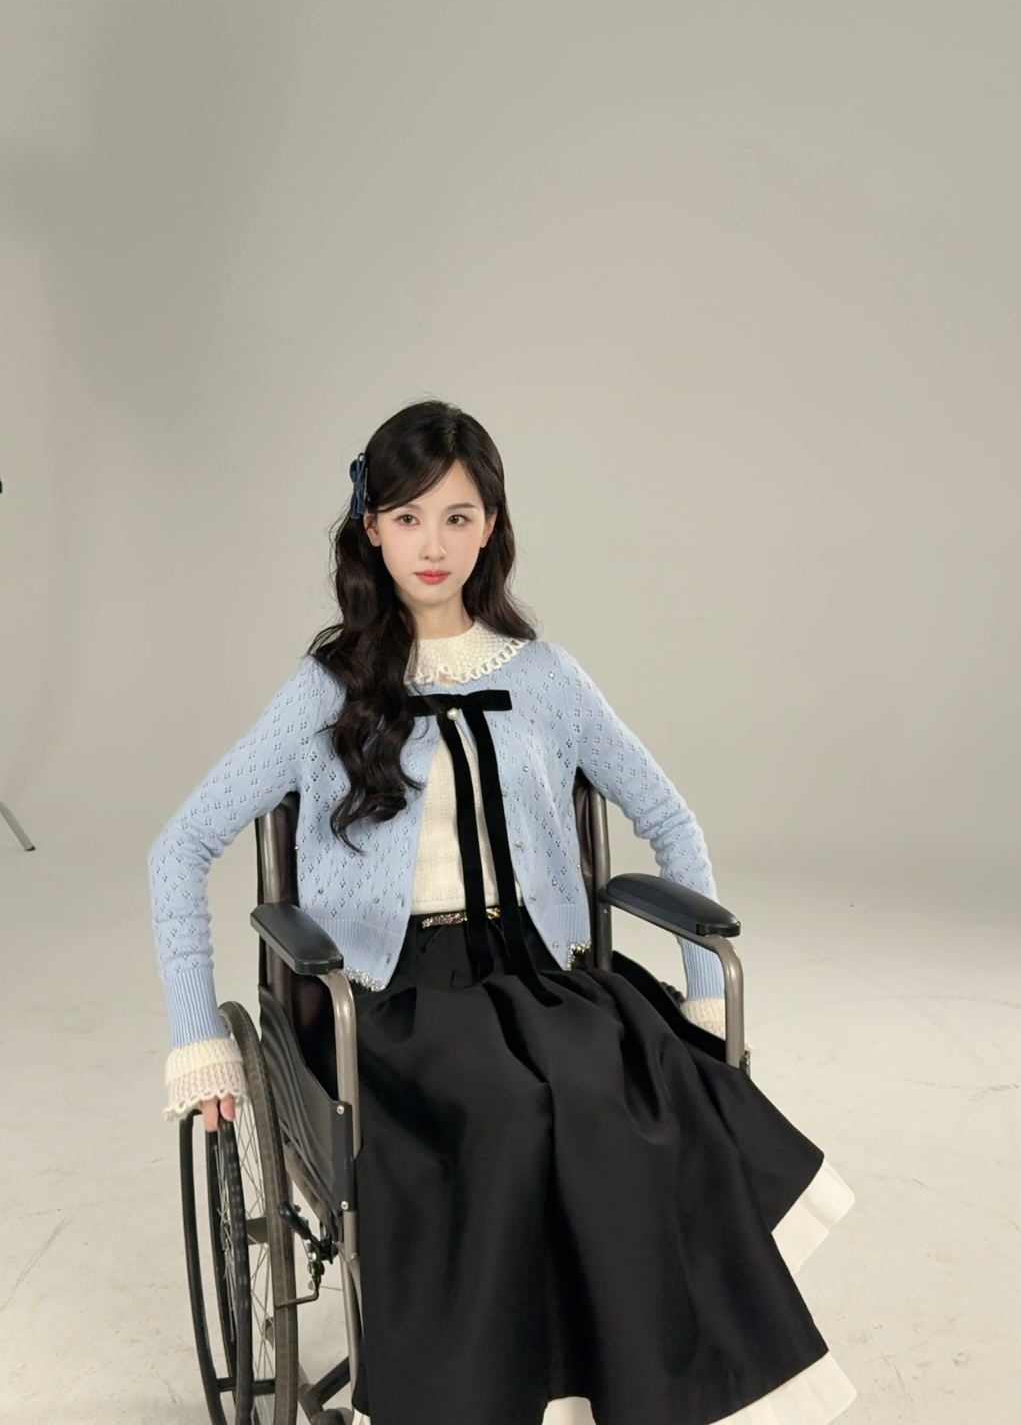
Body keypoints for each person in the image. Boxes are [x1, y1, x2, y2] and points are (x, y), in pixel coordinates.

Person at [148, 398, 857, 1425]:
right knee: (510, 1111)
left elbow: (668, 815)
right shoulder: (326, 690)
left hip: (536, 972)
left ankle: (631, 1388)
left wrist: (704, 993)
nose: (432, 546)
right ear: (371, 529)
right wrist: (196, 1037)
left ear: (490, 527)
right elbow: (180, 846)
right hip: (393, 993)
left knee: (621, 1101)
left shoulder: (547, 679)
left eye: (457, 517)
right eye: (407, 518)